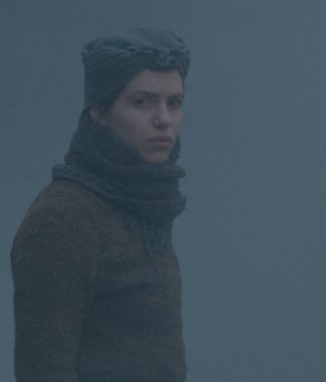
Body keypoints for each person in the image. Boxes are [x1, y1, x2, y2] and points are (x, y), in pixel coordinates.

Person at [10, 27, 191, 381]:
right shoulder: (62, 219)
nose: (164, 119)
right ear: (99, 110)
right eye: (142, 102)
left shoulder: (144, 206)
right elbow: (43, 372)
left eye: (174, 103)